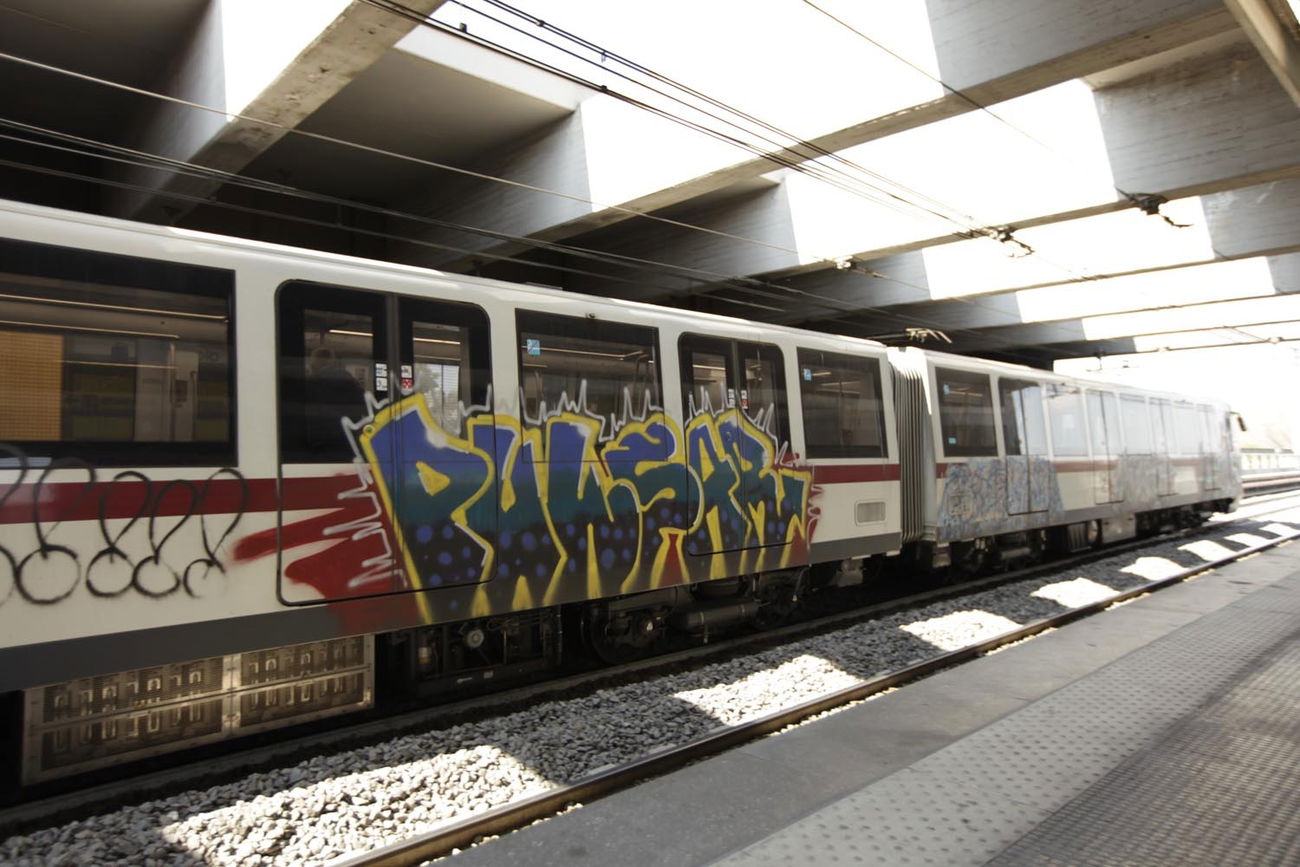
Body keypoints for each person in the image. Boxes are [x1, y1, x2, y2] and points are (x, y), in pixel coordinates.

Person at [303, 346, 366, 454]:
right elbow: (363, 404)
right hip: (348, 435)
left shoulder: (312, 383)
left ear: (314, 362)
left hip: (321, 438)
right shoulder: (349, 381)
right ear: (331, 361)